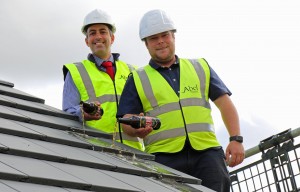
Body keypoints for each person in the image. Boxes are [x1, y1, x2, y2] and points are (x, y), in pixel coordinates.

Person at [117, 9, 244, 191]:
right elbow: (125, 121)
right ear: (146, 44)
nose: (160, 41)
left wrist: (236, 139)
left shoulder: (200, 66)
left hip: (207, 154)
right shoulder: (137, 78)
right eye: (153, 38)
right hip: (163, 159)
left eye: (165, 35)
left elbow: (225, 104)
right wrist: (136, 130)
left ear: (173, 36)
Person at [62, 9, 143, 151]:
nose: (98, 36)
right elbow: (67, 112)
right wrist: (82, 112)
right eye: (92, 33)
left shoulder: (134, 72)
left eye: (103, 31)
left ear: (112, 38)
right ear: (87, 41)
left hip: (134, 152)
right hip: (96, 152)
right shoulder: (75, 72)